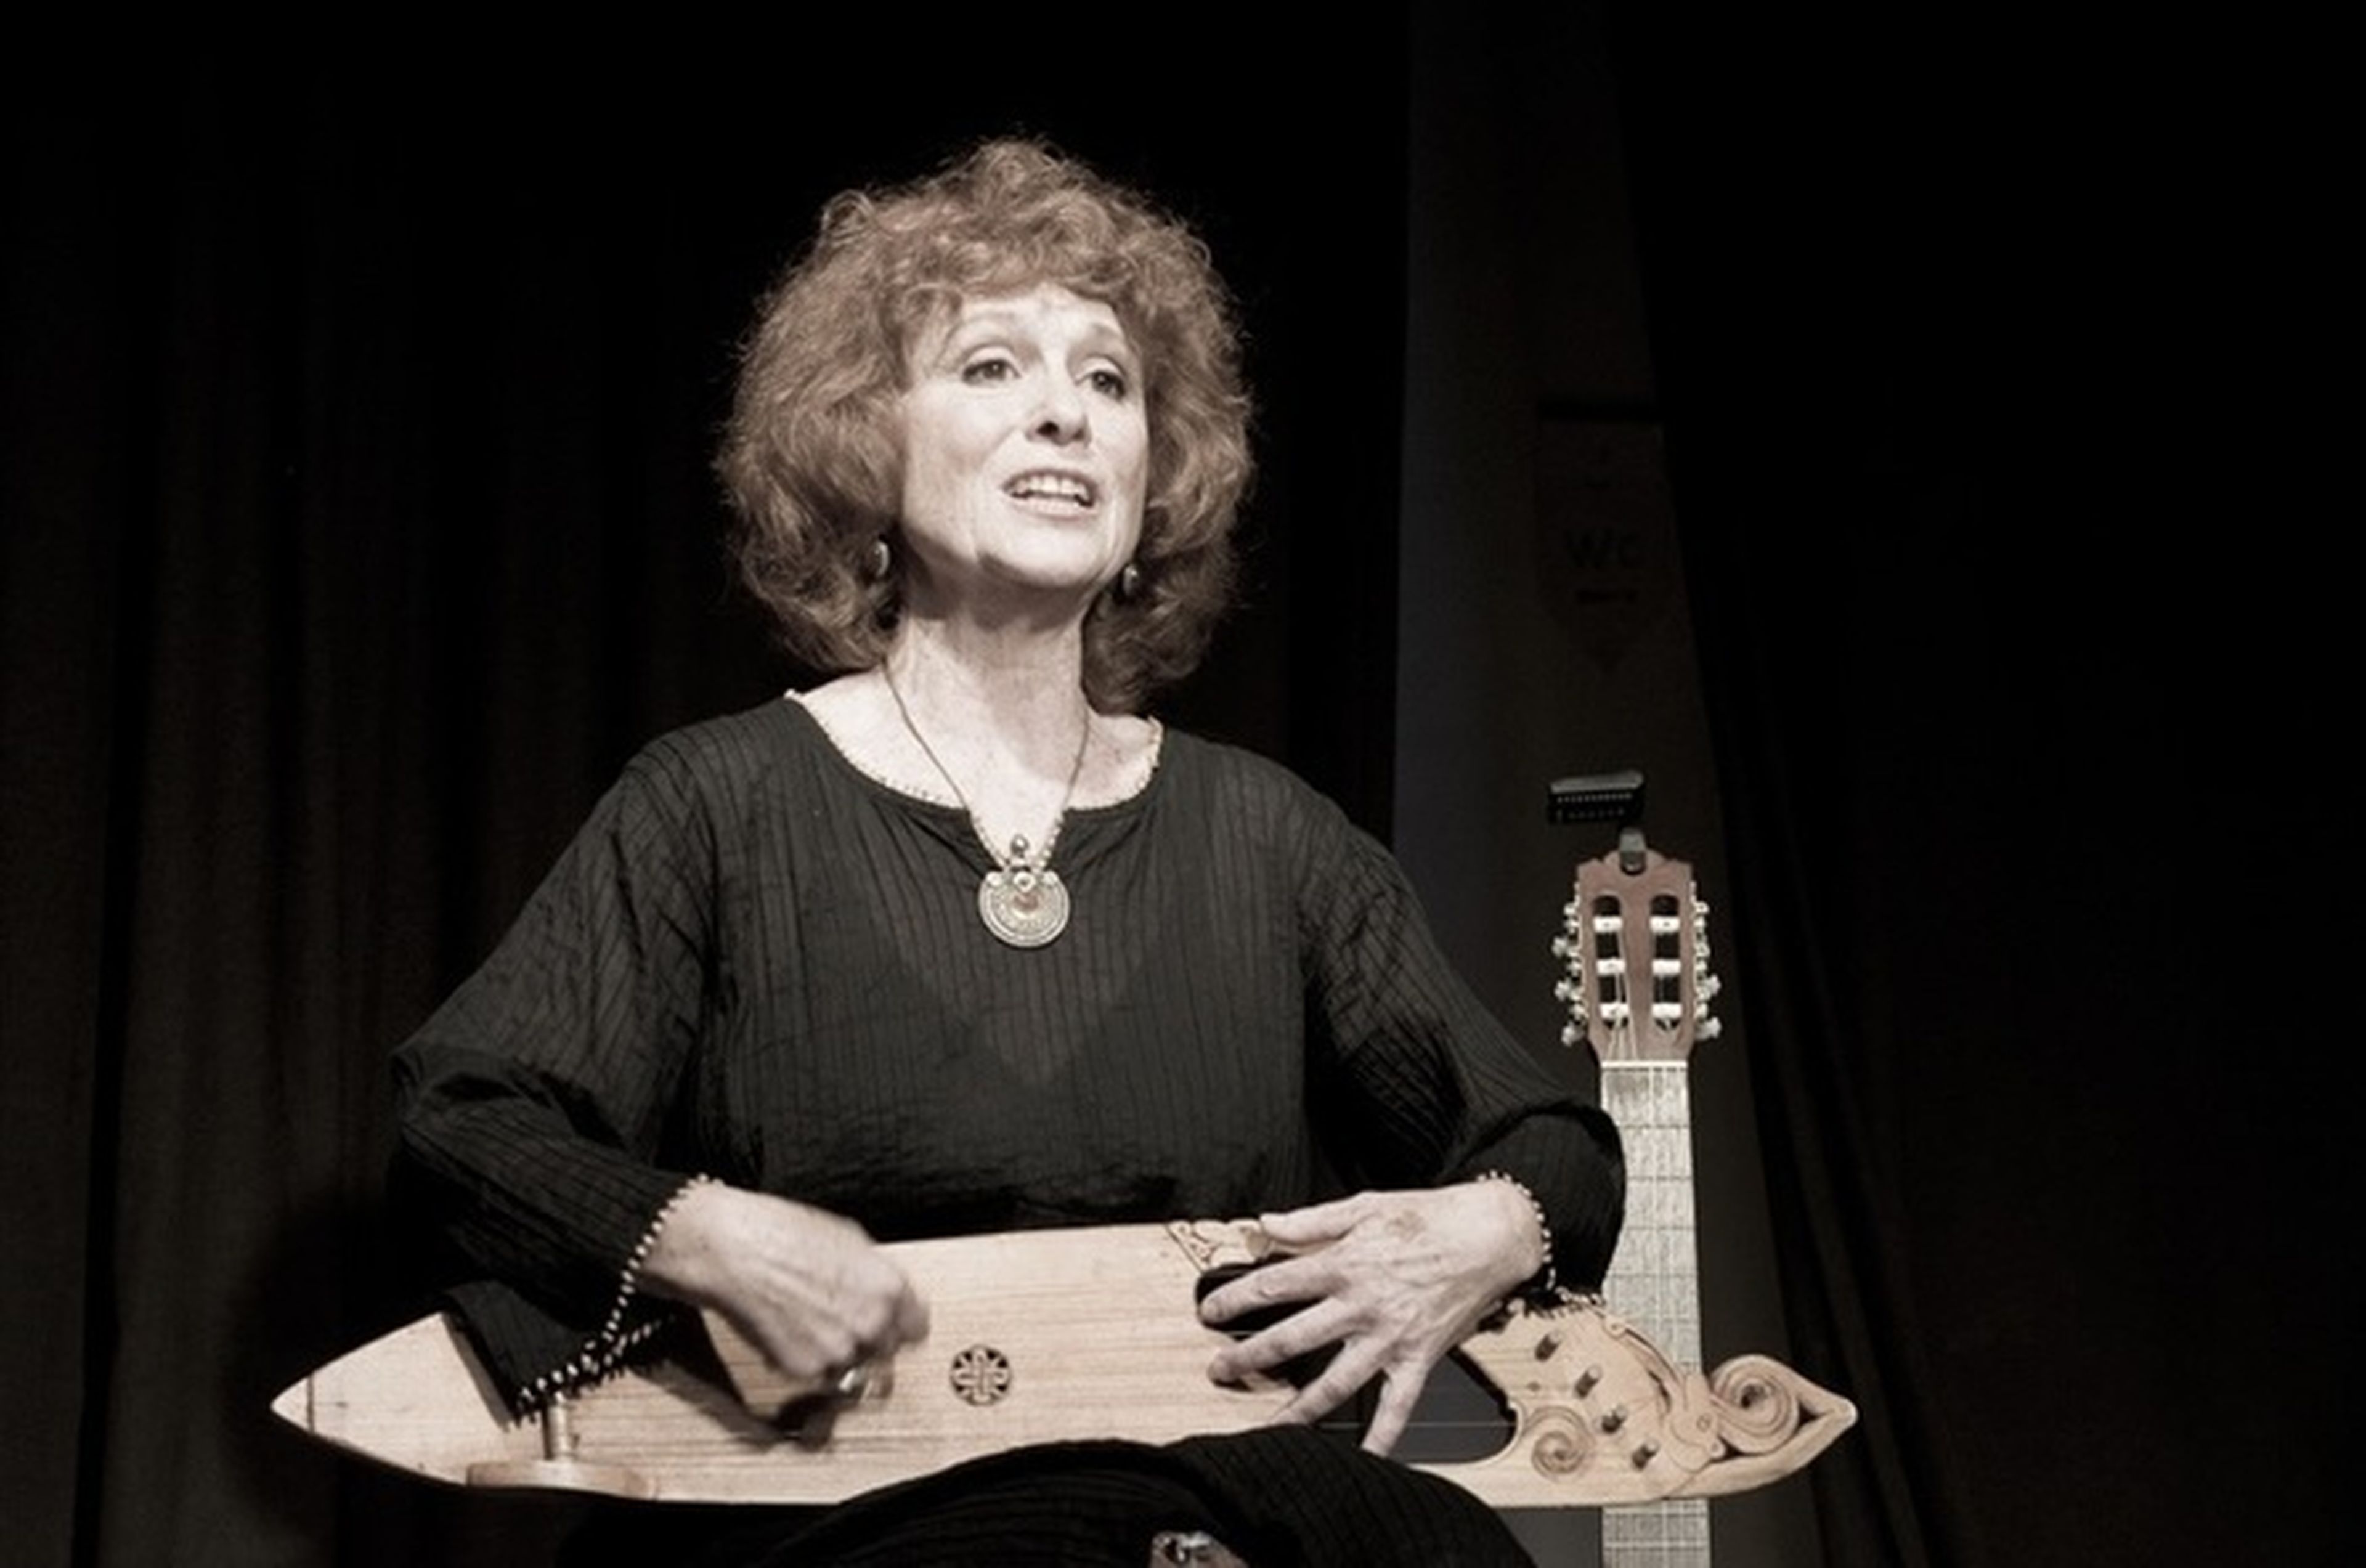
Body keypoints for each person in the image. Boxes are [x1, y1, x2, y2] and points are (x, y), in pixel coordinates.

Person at [392, 139, 1624, 1565]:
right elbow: (462, 1119)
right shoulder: (715, 807)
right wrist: (697, 1233)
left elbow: (1550, 1146)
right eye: (992, 368)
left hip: (1223, 1500)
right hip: (843, 1512)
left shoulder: (1273, 840)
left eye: (1109, 383)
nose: (1065, 415)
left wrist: (1483, 1231)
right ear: (867, 444)